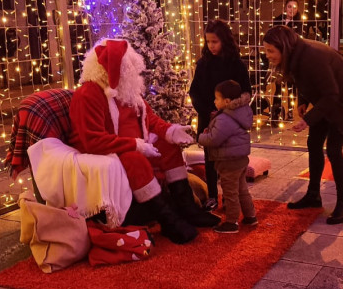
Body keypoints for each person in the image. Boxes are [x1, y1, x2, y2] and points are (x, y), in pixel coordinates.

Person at [68, 39, 220, 245]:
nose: (132, 73)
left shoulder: (128, 91)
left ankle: (187, 208)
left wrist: (171, 132)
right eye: (127, 68)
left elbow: (151, 120)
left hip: (135, 142)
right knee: (134, 159)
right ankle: (168, 220)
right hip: (107, 151)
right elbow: (92, 141)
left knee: (168, 147)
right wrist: (135, 145)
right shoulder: (88, 94)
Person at [263, 26, 343, 225]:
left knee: (333, 150)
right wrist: (303, 100)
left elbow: (332, 94)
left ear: (284, 47)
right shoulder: (297, 54)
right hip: (328, 103)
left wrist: (308, 120)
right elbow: (306, 80)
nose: (267, 55)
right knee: (314, 144)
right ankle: (313, 195)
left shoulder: (312, 56)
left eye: (271, 51)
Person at [189, 20, 251, 210]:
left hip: (230, 121)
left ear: (224, 40)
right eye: (208, 42)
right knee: (210, 159)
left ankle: (231, 197)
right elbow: (194, 91)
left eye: (215, 41)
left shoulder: (236, 65)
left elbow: (245, 92)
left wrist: (228, 110)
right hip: (209, 117)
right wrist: (207, 111)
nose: (211, 46)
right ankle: (213, 195)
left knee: (230, 162)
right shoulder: (203, 64)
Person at [198, 80, 257, 233]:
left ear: (227, 101)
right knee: (242, 189)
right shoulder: (239, 112)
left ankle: (231, 222)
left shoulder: (226, 118)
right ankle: (250, 216)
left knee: (230, 192)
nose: (214, 101)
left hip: (229, 161)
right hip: (240, 159)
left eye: (216, 98)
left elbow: (214, 139)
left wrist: (200, 137)